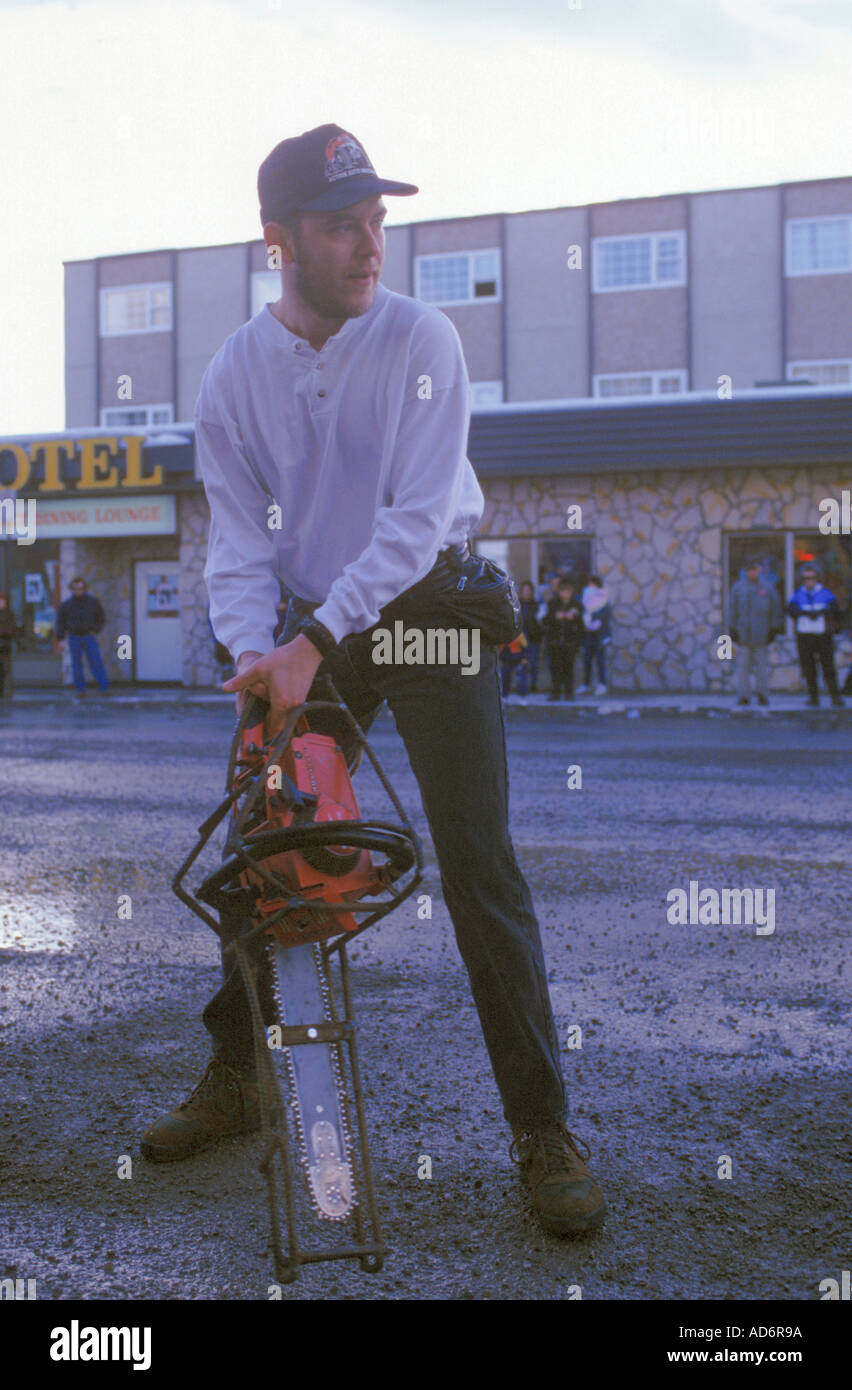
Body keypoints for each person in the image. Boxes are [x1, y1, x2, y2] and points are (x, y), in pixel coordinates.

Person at [140, 124, 606, 1238]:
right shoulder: (233, 374)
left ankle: (543, 1127)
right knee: (268, 819)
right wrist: (258, 660)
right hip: (316, 624)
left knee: (478, 858)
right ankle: (241, 1073)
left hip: (432, 609)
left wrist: (311, 646)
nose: (369, 244)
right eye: (342, 225)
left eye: (376, 222)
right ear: (278, 243)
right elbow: (239, 546)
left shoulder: (423, 339)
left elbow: (408, 527)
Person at [726, 556, 782, 707]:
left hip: (762, 635)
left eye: (754, 569)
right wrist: (732, 628)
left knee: (762, 668)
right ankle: (743, 696)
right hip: (743, 635)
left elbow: (775, 608)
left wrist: (774, 629)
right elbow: (732, 609)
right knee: (743, 668)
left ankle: (762, 695)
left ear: (759, 569)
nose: (752, 572)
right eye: (748, 569)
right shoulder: (738, 587)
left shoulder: (768, 587)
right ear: (745, 571)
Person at [787, 565, 844, 708]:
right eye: (806, 578)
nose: (809, 581)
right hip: (805, 636)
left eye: (812, 578)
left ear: (817, 579)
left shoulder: (825, 593)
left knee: (828, 668)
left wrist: (821, 613)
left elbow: (835, 610)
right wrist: (805, 614)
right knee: (809, 668)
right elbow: (791, 611)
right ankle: (813, 698)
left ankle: (835, 698)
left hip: (823, 635)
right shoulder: (798, 594)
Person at [55, 577, 110, 696]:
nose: (78, 591)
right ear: (72, 589)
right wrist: (60, 639)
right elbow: (61, 622)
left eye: (80, 588)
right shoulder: (67, 605)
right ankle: (80, 690)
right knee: (77, 664)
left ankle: (104, 687)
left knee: (96, 662)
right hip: (74, 637)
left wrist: (96, 630)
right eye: (75, 589)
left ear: (84, 588)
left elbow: (101, 617)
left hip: (89, 636)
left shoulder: (92, 602)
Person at [542, 577, 584, 701]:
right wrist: (555, 617)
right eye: (563, 591)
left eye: (568, 591)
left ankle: (569, 693)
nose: (566, 593)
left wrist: (574, 618)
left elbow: (582, 624)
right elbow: (544, 620)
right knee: (555, 669)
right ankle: (555, 693)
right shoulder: (552, 603)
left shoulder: (577, 605)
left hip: (570, 642)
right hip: (554, 642)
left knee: (569, 669)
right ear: (559, 591)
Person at [577, 574, 611, 695]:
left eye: (592, 584)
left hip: (599, 634)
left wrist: (592, 617)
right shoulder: (584, 599)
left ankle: (602, 684)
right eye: (588, 585)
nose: (590, 587)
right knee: (587, 660)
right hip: (587, 634)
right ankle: (586, 684)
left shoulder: (604, 600)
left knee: (600, 659)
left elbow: (606, 614)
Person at [0, 593, 22, 698]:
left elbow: (12, 628)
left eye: (2, 601)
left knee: (6, 668)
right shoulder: (9, 613)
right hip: (5, 642)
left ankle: (6, 691)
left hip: (5, 643)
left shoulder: (9, 613)